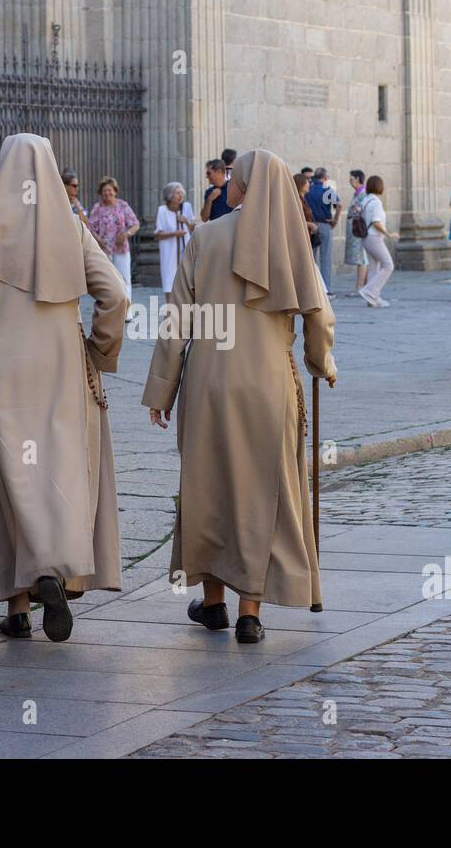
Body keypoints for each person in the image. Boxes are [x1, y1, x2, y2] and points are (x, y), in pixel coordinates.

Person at [0, 133, 129, 641]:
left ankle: (17, 607)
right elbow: (117, 297)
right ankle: (53, 569)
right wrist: (98, 351)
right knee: (56, 470)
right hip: (61, 365)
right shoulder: (74, 231)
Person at [143, 149, 337, 645]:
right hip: (268, 382)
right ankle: (250, 612)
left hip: (209, 380)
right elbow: (319, 316)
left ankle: (213, 604)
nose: (227, 181)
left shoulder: (205, 236)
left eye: (234, 176)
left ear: (245, 185)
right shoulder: (293, 244)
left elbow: (176, 319)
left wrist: (162, 389)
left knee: (208, 487)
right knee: (261, 493)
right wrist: (321, 363)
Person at [87, 176, 140, 303]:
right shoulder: (97, 208)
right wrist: (99, 241)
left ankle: (127, 310)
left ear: (115, 191)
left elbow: (135, 224)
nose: (107, 193)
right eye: (104, 190)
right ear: (100, 193)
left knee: (124, 278)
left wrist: (126, 234)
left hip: (121, 248)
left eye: (110, 190)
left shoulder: (122, 205)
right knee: (106, 280)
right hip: (103, 249)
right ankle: (109, 306)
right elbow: (90, 228)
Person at [358, 175, 395, 307]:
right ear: (380, 187)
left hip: (366, 238)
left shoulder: (365, 200)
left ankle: (373, 299)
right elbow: (376, 222)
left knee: (374, 267)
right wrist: (388, 234)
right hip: (374, 237)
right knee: (388, 265)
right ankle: (369, 291)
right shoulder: (377, 202)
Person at [304, 167, 341, 296]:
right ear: (325, 178)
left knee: (311, 258)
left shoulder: (308, 190)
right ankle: (326, 289)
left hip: (311, 225)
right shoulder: (327, 190)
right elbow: (339, 205)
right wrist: (335, 219)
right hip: (325, 224)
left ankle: (312, 288)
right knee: (325, 258)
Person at [154, 182, 196, 296]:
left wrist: (186, 221)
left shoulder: (187, 207)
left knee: (186, 279)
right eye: (177, 193)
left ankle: (185, 310)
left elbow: (194, 227)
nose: (180, 195)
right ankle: (170, 310)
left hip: (185, 248)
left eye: (181, 192)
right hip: (169, 252)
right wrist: (174, 234)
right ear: (169, 195)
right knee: (169, 281)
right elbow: (158, 234)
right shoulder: (162, 210)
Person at [342, 169, 368, 295]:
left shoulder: (362, 193)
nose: (350, 180)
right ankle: (365, 286)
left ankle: (360, 287)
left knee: (362, 259)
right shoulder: (358, 193)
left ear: (358, 179)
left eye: (351, 178)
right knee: (361, 259)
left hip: (359, 230)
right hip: (356, 230)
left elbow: (359, 211)